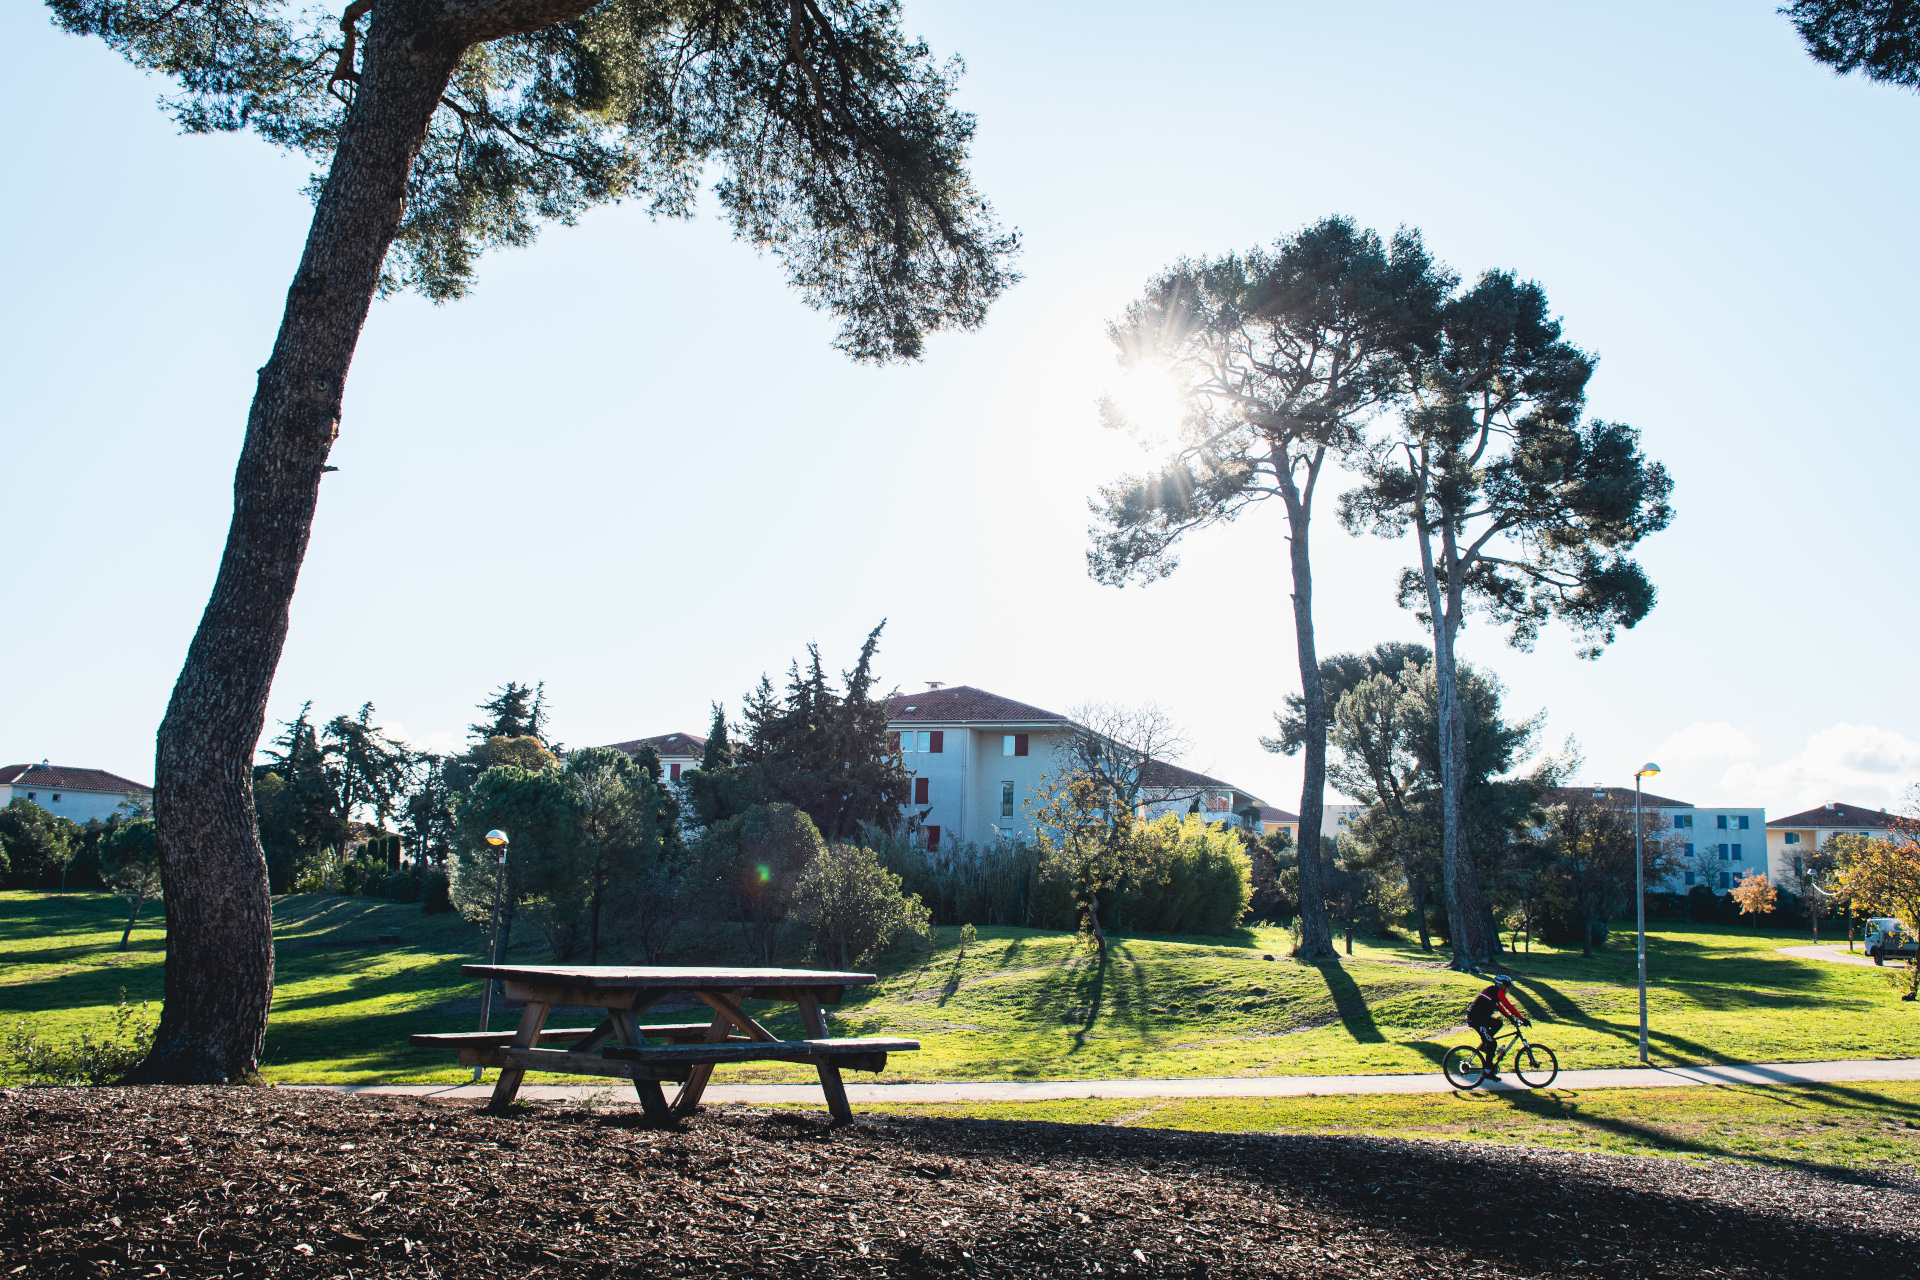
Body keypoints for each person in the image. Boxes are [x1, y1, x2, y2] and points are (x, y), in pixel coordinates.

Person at [1465, 975, 1527, 1077]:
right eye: (1508, 987)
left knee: (1498, 1024)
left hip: (1482, 1018)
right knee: (1492, 1044)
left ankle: (1486, 1044)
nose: (1509, 990)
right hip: (1477, 1019)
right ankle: (1487, 1071)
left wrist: (1511, 1019)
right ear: (1502, 985)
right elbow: (1508, 1005)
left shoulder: (1493, 993)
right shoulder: (1497, 991)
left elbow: (1499, 1007)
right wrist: (1522, 1018)